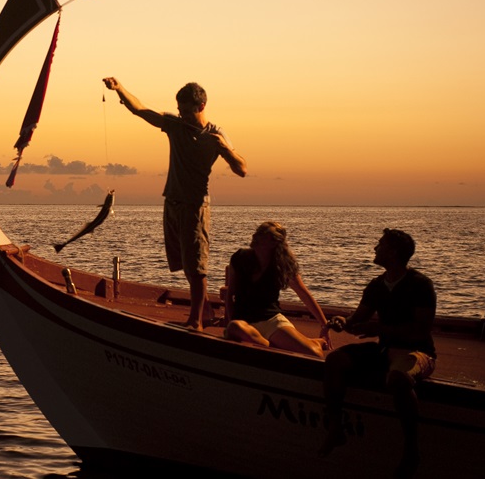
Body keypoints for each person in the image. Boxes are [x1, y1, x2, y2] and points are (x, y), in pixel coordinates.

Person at [102, 77, 247, 330]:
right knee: (183, 263)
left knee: (197, 266)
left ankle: (196, 322)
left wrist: (226, 150)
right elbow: (142, 110)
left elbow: (242, 170)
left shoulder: (215, 134)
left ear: (201, 107)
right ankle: (206, 311)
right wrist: (119, 89)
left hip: (195, 206)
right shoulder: (176, 126)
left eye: (187, 111)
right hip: (172, 203)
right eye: (179, 110)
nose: (182, 115)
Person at [319, 228, 436, 478]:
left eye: (380, 244)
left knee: (398, 379)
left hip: (418, 352)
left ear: (393, 253)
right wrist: (342, 321)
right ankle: (336, 428)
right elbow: (357, 319)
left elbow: (421, 330)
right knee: (335, 360)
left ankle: (411, 450)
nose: (375, 248)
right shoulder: (376, 285)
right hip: (384, 350)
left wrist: (379, 328)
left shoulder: (420, 285)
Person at [224, 221, 330, 357]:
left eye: (263, 234)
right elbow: (229, 294)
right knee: (234, 327)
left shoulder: (282, 266)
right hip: (244, 324)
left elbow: (303, 294)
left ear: (274, 243)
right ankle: (275, 344)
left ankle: (315, 342)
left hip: (271, 321)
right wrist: (229, 320)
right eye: (257, 232)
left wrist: (324, 325)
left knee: (315, 354)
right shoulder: (240, 258)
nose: (255, 236)